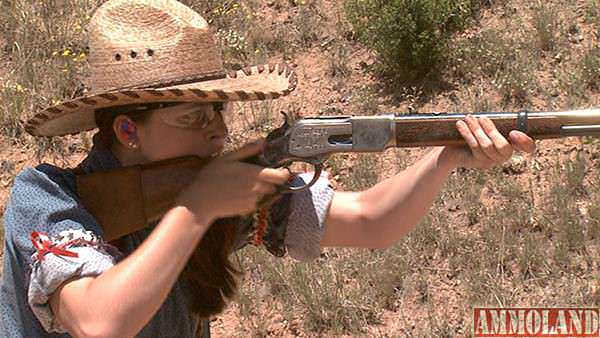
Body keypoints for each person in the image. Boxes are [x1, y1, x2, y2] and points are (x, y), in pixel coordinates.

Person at [0, 0, 536, 337]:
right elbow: (99, 323)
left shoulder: (209, 187)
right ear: (127, 130)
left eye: (218, 112)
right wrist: (198, 208)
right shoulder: (47, 197)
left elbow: (374, 222)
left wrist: (444, 157)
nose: (217, 131)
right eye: (193, 117)